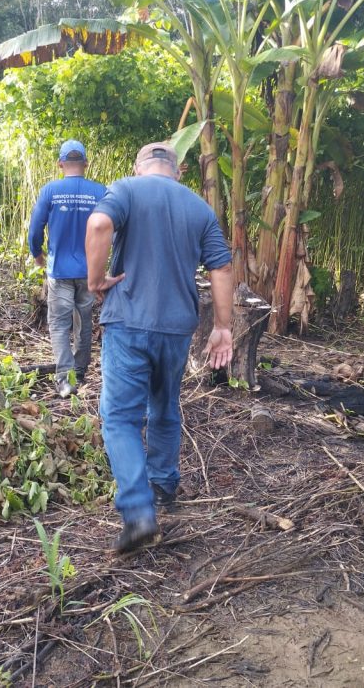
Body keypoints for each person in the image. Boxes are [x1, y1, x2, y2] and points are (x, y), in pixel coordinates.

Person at [85, 142, 234, 554]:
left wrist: (95, 281)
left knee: (119, 418)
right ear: (179, 171)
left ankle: (138, 513)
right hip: (176, 327)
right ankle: (164, 485)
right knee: (165, 405)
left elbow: (98, 226)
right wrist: (223, 326)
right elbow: (221, 266)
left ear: (139, 166)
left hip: (128, 321)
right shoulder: (199, 208)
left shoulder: (126, 189)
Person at [28, 140, 108, 398]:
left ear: (60, 163)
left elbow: (35, 229)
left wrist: (36, 253)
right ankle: (81, 372)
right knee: (83, 321)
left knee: (60, 324)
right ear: (85, 163)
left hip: (60, 270)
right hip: (89, 271)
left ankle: (65, 379)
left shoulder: (50, 191)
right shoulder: (100, 192)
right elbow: (112, 231)